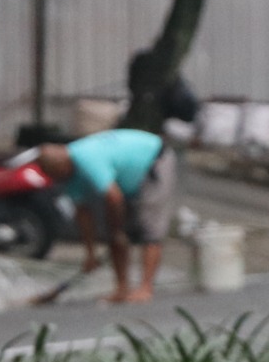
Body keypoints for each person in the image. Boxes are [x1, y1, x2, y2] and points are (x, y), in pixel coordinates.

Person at [34, 127, 175, 302]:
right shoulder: (70, 176)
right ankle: (122, 288)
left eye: (57, 174)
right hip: (126, 179)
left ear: (62, 165)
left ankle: (146, 288)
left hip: (153, 159)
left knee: (150, 227)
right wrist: (90, 254)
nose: (58, 180)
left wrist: (117, 230)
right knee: (114, 233)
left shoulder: (87, 159)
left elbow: (114, 197)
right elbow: (83, 214)